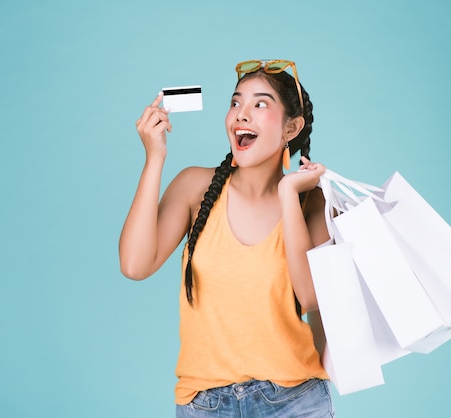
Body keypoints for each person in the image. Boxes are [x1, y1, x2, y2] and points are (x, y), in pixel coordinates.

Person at [119, 59, 334, 417]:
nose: (241, 114)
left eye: (260, 104)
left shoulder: (312, 201)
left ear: (291, 127)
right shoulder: (194, 187)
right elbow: (134, 265)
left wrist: (287, 195)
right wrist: (154, 159)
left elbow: (310, 297)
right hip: (204, 403)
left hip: (294, 401)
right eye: (236, 102)